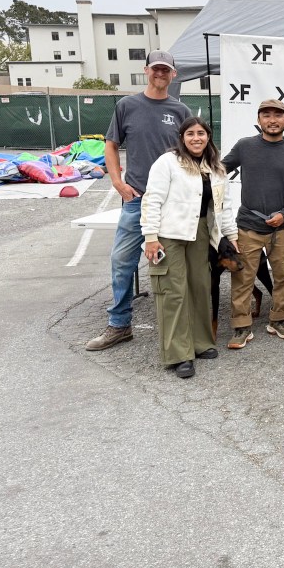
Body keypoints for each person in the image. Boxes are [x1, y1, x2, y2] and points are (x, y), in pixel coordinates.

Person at [87, 50, 191, 352]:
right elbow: (111, 144)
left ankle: (178, 326)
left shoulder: (181, 110)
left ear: (173, 75)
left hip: (173, 201)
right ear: (146, 71)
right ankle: (119, 325)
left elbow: (191, 152)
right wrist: (117, 182)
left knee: (176, 264)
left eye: (166, 70)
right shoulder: (127, 105)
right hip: (138, 199)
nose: (160, 74)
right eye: (156, 69)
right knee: (122, 261)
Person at [140, 117, 238, 378]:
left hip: (202, 232)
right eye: (191, 134)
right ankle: (178, 354)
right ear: (182, 137)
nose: (197, 138)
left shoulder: (215, 168)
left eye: (202, 133)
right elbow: (152, 199)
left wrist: (230, 234)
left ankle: (201, 342)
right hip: (169, 234)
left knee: (199, 287)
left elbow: (223, 205)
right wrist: (151, 235)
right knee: (174, 291)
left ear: (209, 137)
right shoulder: (168, 162)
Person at [221, 99, 284, 349]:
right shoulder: (245, 146)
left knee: (283, 275)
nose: (272, 120)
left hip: (282, 227)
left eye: (278, 115)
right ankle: (241, 326)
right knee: (243, 278)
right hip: (248, 225)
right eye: (266, 115)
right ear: (259, 120)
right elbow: (219, 170)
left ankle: (279, 319)